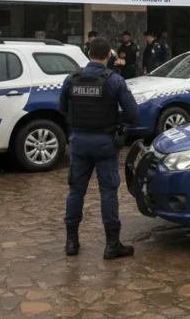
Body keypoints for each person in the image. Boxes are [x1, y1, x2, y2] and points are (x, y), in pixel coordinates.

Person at [59, 37, 139, 259]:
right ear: (108, 55)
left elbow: (62, 108)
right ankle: (112, 245)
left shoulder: (72, 79)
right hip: (105, 142)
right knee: (108, 192)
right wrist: (117, 121)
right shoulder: (114, 80)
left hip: (79, 141)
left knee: (76, 191)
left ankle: (71, 242)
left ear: (89, 54)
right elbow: (132, 114)